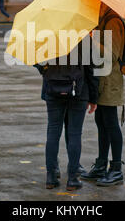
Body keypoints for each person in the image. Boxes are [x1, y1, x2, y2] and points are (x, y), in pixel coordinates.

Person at [35, 42, 99, 191]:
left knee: (53, 131)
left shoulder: (48, 36)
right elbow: (91, 71)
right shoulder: (82, 39)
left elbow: (36, 61)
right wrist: (94, 98)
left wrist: (47, 70)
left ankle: (51, 177)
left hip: (53, 88)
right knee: (75, 133)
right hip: (79, 90)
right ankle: (72, 179)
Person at [81, 3, 125, 187]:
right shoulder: (101, 21)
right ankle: (101, 164)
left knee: (111, 123)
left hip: (110, 81)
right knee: (101, 123)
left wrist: (91, 39)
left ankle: (116, 169)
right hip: (99, 78)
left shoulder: (113, 22)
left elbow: (112, 55)